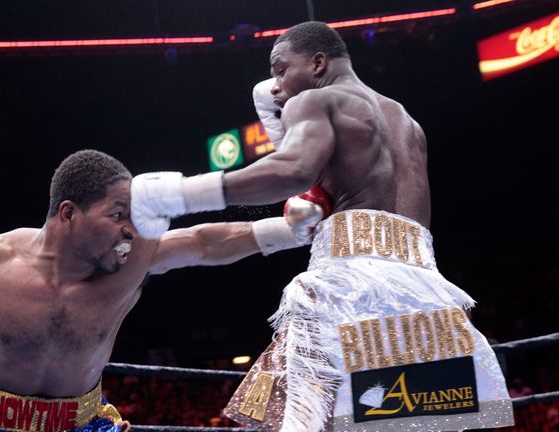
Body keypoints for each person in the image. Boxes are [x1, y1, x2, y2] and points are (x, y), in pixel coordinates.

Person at [130, 21, 513, 432]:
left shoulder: (313, 101)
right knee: (412, 425)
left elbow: (292, 170)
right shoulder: (406, 122)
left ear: (317, 63)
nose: (275, 86)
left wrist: (181, 194)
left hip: (348, 286)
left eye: (280, 69)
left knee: (297, 422)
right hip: (428, 291)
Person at [0, 149, 323, 432]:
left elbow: (202, 242)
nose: (130, 230)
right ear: (68, 213)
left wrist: (286, 230)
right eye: (117, 214)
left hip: (81, 424)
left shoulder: (130, 262)